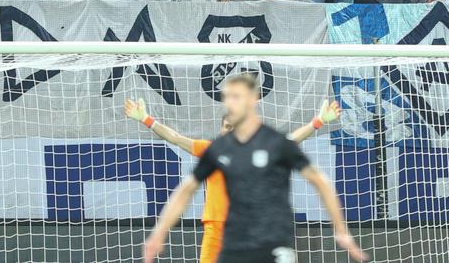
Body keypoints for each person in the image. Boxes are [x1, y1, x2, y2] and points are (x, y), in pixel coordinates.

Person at [142, 72, 368, 263]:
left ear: (253, 100)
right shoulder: (215, 150)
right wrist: (159, 232)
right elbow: (184, 183)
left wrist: (341, 229)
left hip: (272, 235)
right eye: (227, 98)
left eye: (237, 97)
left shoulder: (272, 143)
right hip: (224, 231)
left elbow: (318, 178)